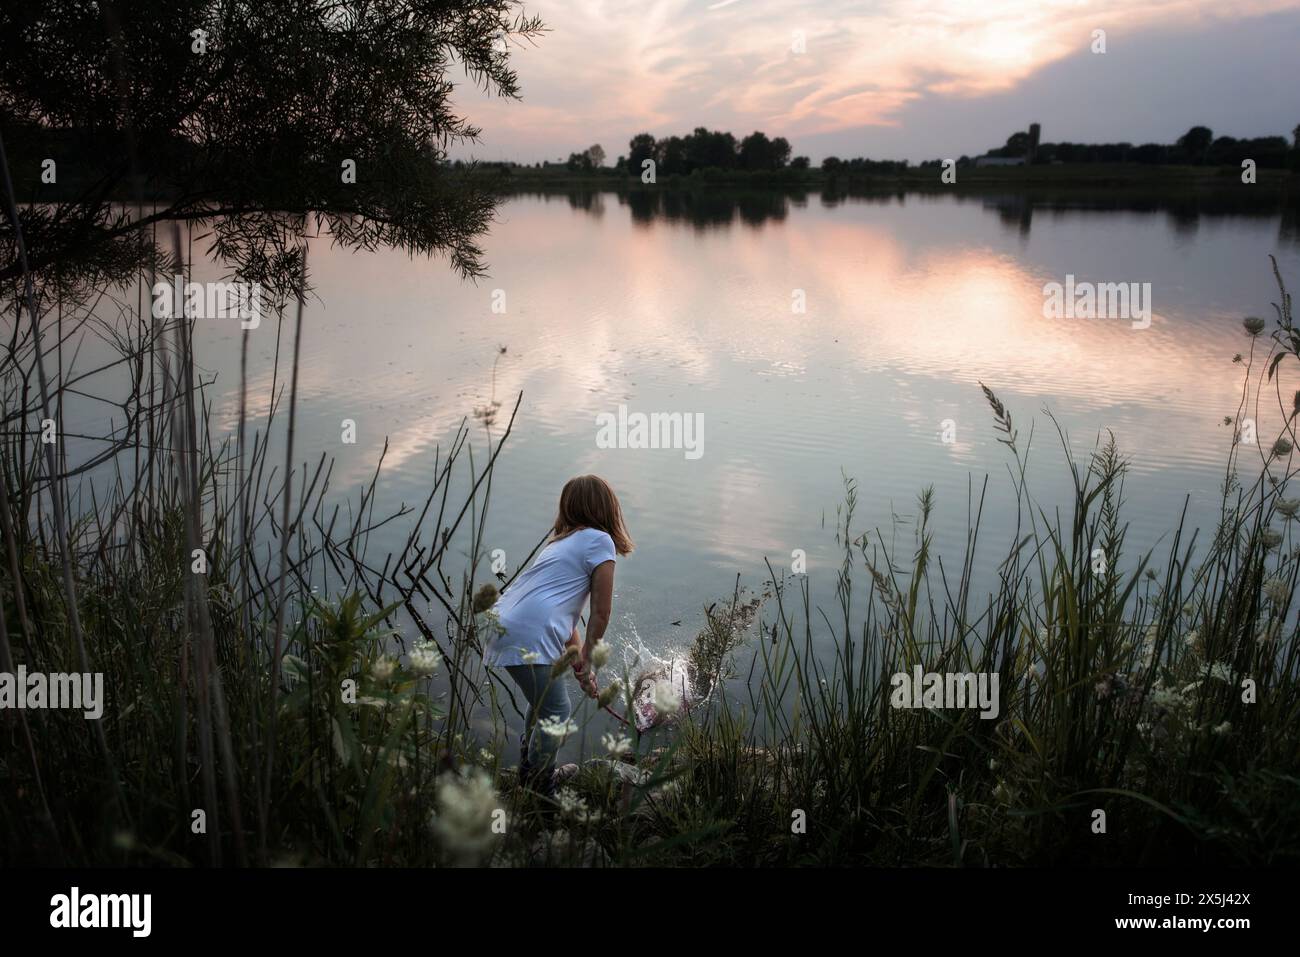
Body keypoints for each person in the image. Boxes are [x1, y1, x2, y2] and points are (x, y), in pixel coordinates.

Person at [483, 475, 634, 794]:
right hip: (530, 629)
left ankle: (533, 769)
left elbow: (566, 619)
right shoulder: (600, 541)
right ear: (608, 509)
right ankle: (539, 785)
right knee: (558, 711)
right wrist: (591, 662)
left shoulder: (560, 544)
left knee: (541, 703)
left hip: (504, 624)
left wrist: (579, 664)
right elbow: (601, 613)